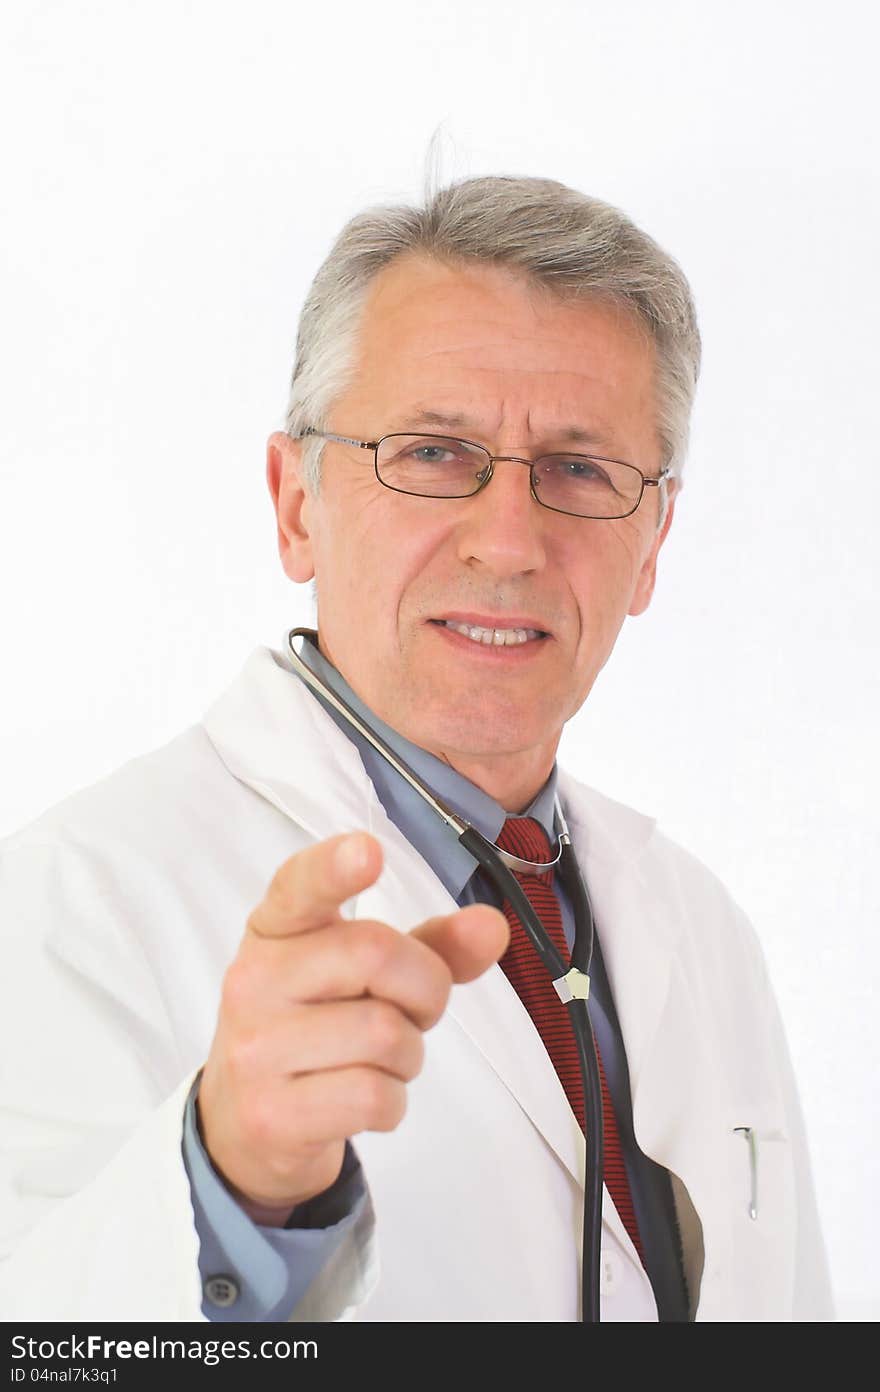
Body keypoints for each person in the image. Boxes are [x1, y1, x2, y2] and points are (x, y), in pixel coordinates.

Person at [0, 175, 832, 1323]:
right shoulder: (72, 900)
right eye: (434, 453)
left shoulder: (702, 929)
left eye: (580, 471)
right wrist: (233, 1183)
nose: (507, 541)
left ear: (652, 546)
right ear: (297, 504)